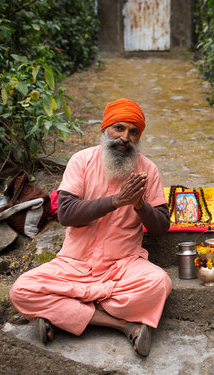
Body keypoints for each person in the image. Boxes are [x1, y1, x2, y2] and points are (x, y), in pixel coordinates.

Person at [10, 98, 172, 357]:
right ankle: (122, 325)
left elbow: (162, 227)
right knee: (21, 290)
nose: (124, 137)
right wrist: (116, 201)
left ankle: (64, 311)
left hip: (123, 266)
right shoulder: (81, 161)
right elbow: (66, 214)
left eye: (133, 132)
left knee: (159, 283)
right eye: (118, 128)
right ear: (105, 130)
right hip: (73, 264)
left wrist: (140, 204)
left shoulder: (148, 170)